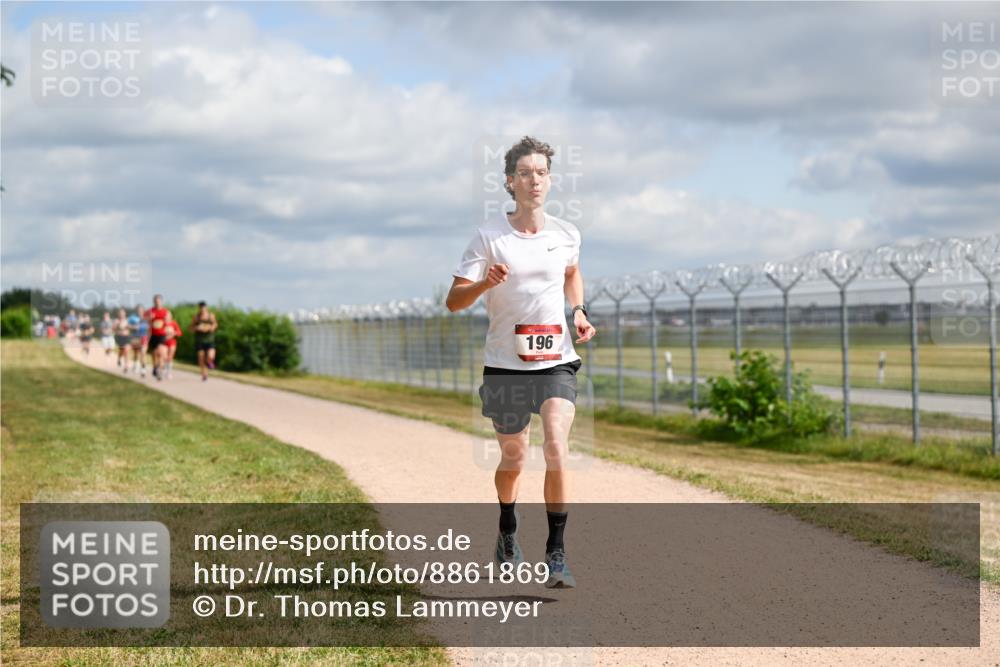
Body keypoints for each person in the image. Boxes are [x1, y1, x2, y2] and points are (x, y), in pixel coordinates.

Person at [445, 136, 596, 589]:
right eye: (526, 173)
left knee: (555, 447)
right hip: (505, 365)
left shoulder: (566, 234)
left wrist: (579, 311)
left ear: (550, 181)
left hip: (555, 360)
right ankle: (507, 532)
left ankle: (557, 553)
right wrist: (483, 284)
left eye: (542, 173)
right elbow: (454, 301)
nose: (535, 180)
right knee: (514, 456)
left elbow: (571, 273)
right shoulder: (489, 237)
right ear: (510, 182)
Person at [191, 301, 218, 381]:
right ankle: (204, 374)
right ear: (199, 308)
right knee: (201, 358)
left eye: (204, 308)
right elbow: (190, 328)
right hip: (199, 341)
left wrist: (210, 328)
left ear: (206, 308)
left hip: (209, 340)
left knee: (210, 356)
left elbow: (215, 324)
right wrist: (197, 328)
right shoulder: (196, 317)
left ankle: (210, 363)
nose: (202, 309)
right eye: (201, 308)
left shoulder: (211, 316)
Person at [146, 295, 171, 381]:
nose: (157, 302)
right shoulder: (151, 311)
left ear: (161, 301)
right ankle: (155, 367)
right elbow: (146, 321)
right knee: (154, 354)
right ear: (153, 302)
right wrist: (149, 318)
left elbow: (169, 322)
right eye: (155, 301)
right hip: (153, 335)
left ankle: (160, 372)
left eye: (159, 301)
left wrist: (166, 321)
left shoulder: (166, 312)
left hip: (162, 335)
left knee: (161, 353)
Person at [128, 306, 148, 378]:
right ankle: (136, 364)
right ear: (137, 311)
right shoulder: (132, 318)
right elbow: (128, 325)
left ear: (143, 311)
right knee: (136, 352)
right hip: (135, 337)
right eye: (138, 311)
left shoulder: (146, 318)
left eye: (141, 310)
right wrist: (133, 327)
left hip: (143, 337)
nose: (140, 312)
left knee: (143, 353)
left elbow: (150, 326)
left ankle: (143, 369)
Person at [162, 312, 182, 379]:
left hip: (172, 342)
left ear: (171, 317)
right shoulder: (162, 323)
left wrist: (174, 333)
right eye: (165, 316)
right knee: (164, 356)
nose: (167, 317)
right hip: (163, 342)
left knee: (170, 357)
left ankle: (169, 372)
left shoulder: (174, 323)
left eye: (168, 316)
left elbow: (179, 332)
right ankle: (164, 368)